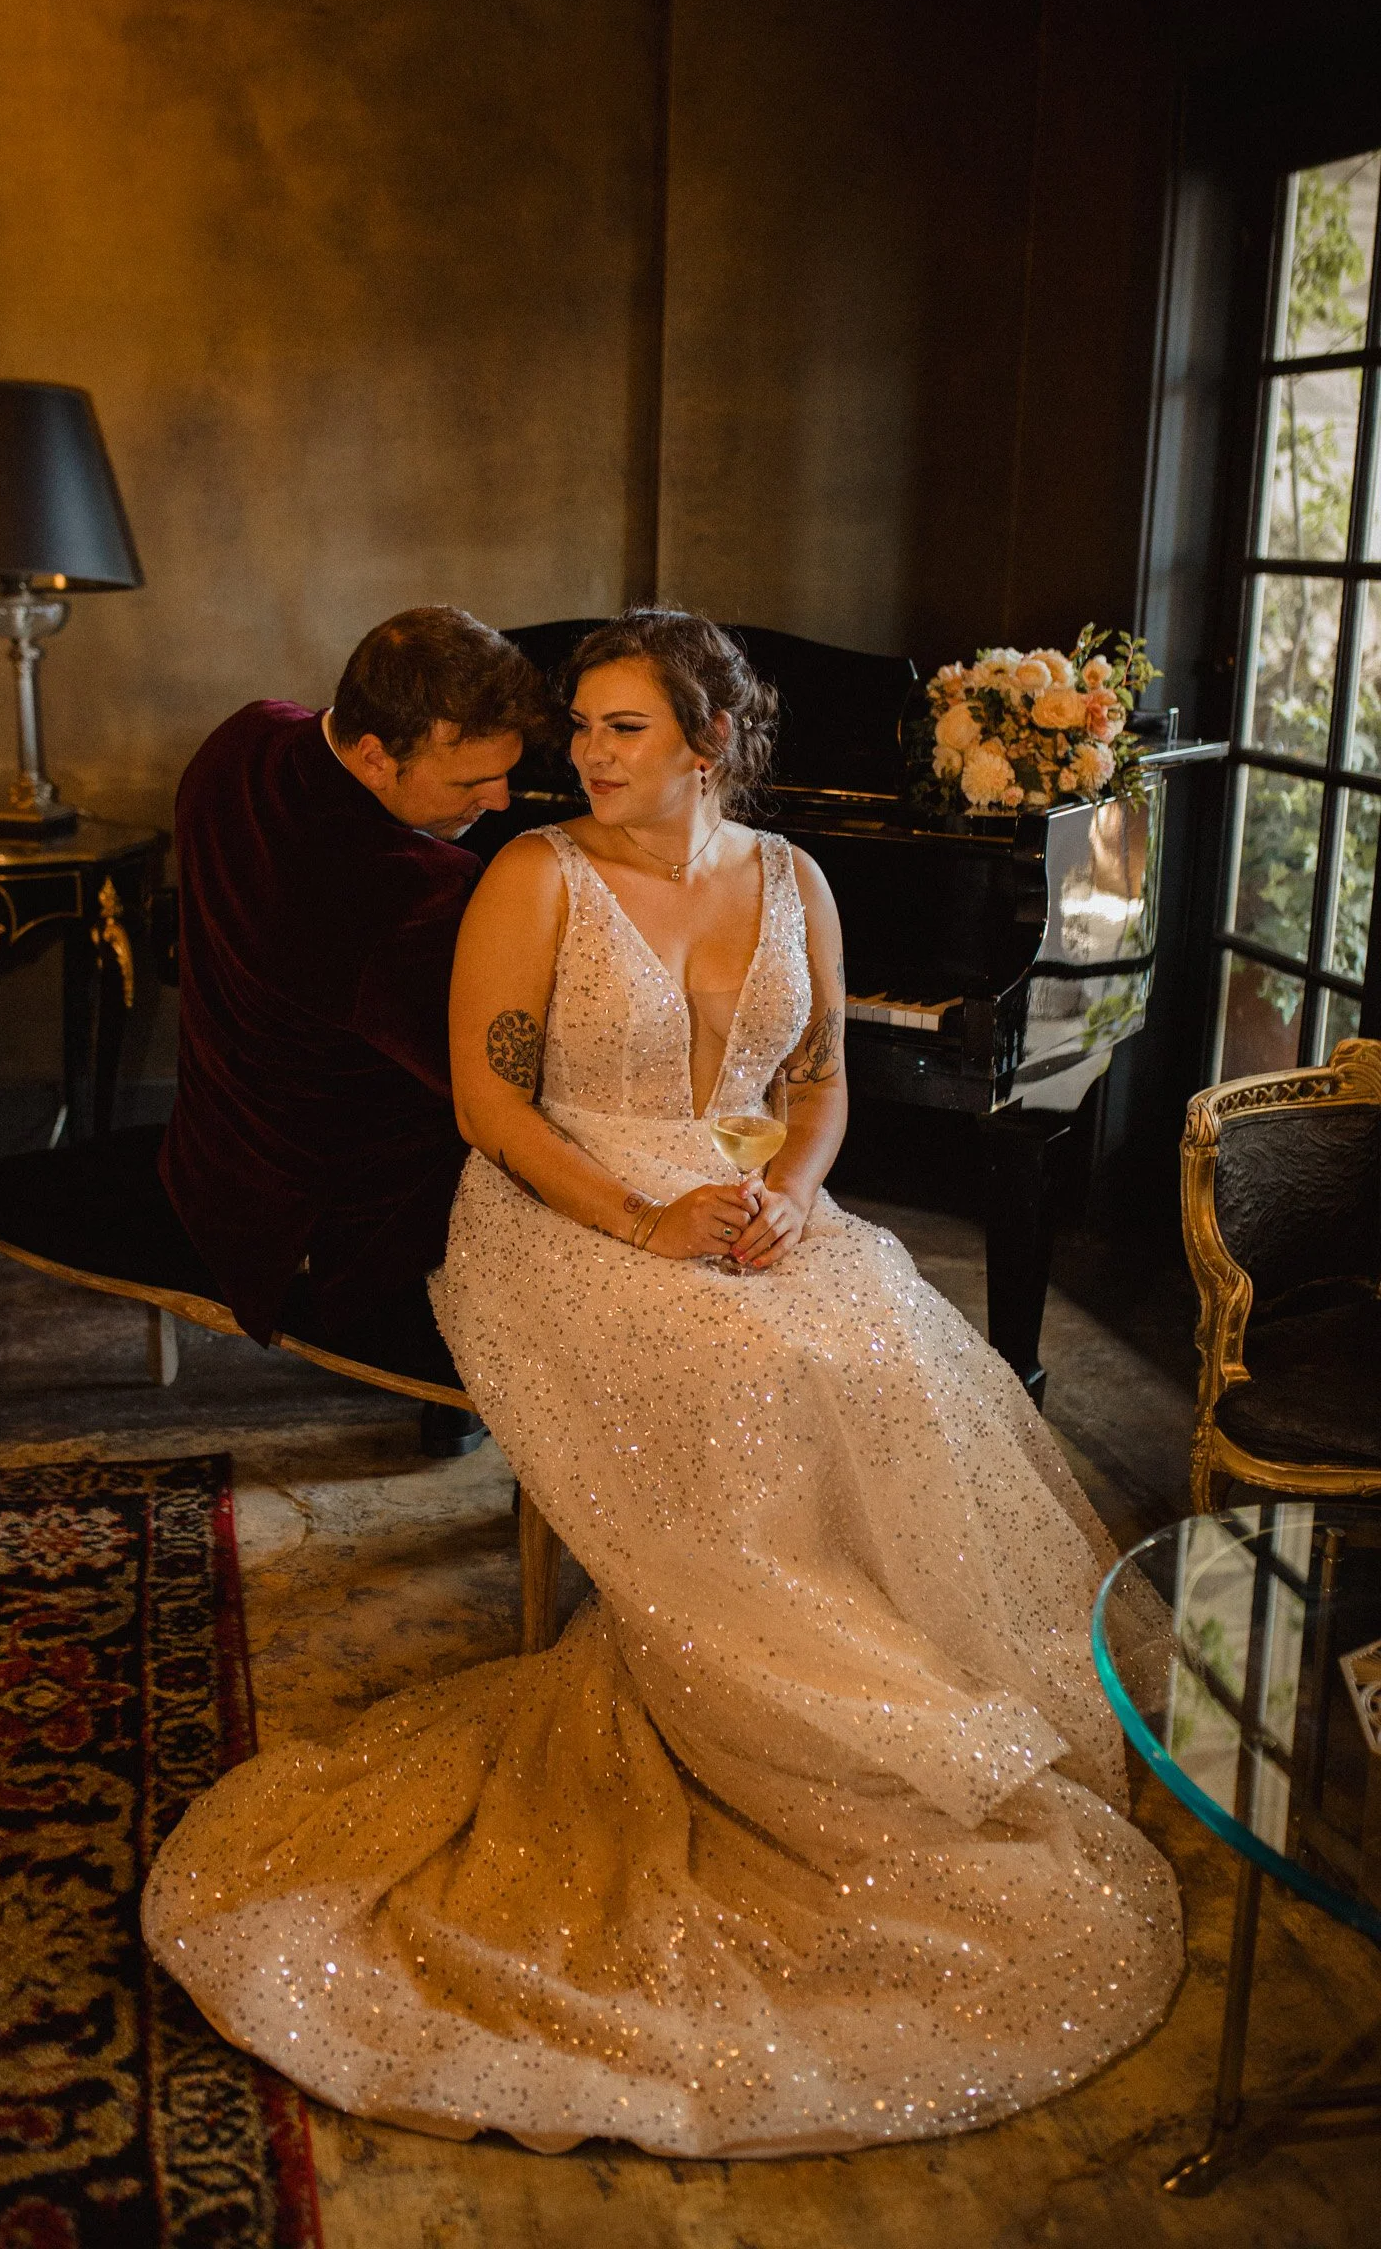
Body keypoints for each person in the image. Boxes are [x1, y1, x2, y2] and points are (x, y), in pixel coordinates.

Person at [144, 609, 1183, 2157]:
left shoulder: (796, 880)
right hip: (561, 1211)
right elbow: (493, 1099)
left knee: (883, 1348)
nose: (579, 756)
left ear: (707, 746)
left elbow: (819, 1077)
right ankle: (795, 1713)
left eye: (617, 730)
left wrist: (800, 1196)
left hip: (752, 1193)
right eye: (578, 728)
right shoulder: (531, 874)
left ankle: (916, 1681)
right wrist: (644, 1216)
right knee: (742, 1368)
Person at [159, 604, 548, 1455]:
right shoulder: (411, 889)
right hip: (315, 1223)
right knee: (554, 1153)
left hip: (212, 1154)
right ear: (375, 754)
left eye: (506, 773)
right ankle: (477, 1374)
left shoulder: (244, 738)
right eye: (469, 783)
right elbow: (493, 1088)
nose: (502, 800)